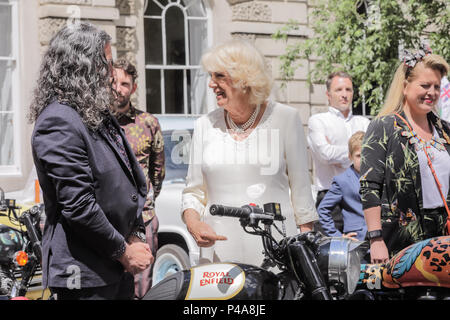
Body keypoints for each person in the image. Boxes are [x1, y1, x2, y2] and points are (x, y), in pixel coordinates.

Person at [28, 22, 153, 300]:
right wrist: (123, 252)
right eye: (107, 64)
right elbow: (78, 205)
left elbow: (128, 185)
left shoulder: (93, 113)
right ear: (83, 67)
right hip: (83, 274)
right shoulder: (58, 120)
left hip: (112, 268)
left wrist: (136, 235)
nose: (111, 74)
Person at [181, 39, 318, 267]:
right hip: (218, 256)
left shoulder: (286, 118)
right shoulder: (204, 125)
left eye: (219, 76)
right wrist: (193, 222)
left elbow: (302, 193)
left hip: (276, 252)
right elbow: (193, 192)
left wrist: (305, 251)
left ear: (244, 79)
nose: (211, 84)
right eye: (210, 76)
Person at [360, 45, 450, 264]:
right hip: (400, 237)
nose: (432, 93)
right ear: (405, 86)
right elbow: (369, 186)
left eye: (436, 87)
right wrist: (375, 238)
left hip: (443, 235)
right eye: (425, 85)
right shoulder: (383, 126)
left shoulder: (446, 130)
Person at [112, 58, 165, 299]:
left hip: (142, 218)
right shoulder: (95, 123)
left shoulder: (148, 123)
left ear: (133, 88)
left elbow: (158, 171)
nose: (118, 88)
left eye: (125, 83)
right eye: (112, 82)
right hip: (108, 222)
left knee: (142, 286)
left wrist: (145, 202)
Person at [307, 71, 370, 234]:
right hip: (329, 199)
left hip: (359, 196)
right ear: (328, 94)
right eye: (339, 90)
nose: (344, 95)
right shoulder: (318, 121)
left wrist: (338, 154)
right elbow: (325, 154)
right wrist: (355, 152)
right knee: (330, 253)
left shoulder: (364, 122)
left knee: (361, 251)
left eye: (348, 90)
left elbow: (372, 156)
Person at [317, 131, 367, 241]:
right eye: (358, 156)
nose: (363, 159)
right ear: (350, 157)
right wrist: (337, 236)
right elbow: (323, 210)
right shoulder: (342, 181)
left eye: (366, 155)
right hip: (356, 240)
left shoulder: (381, 177)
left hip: (381, 239)